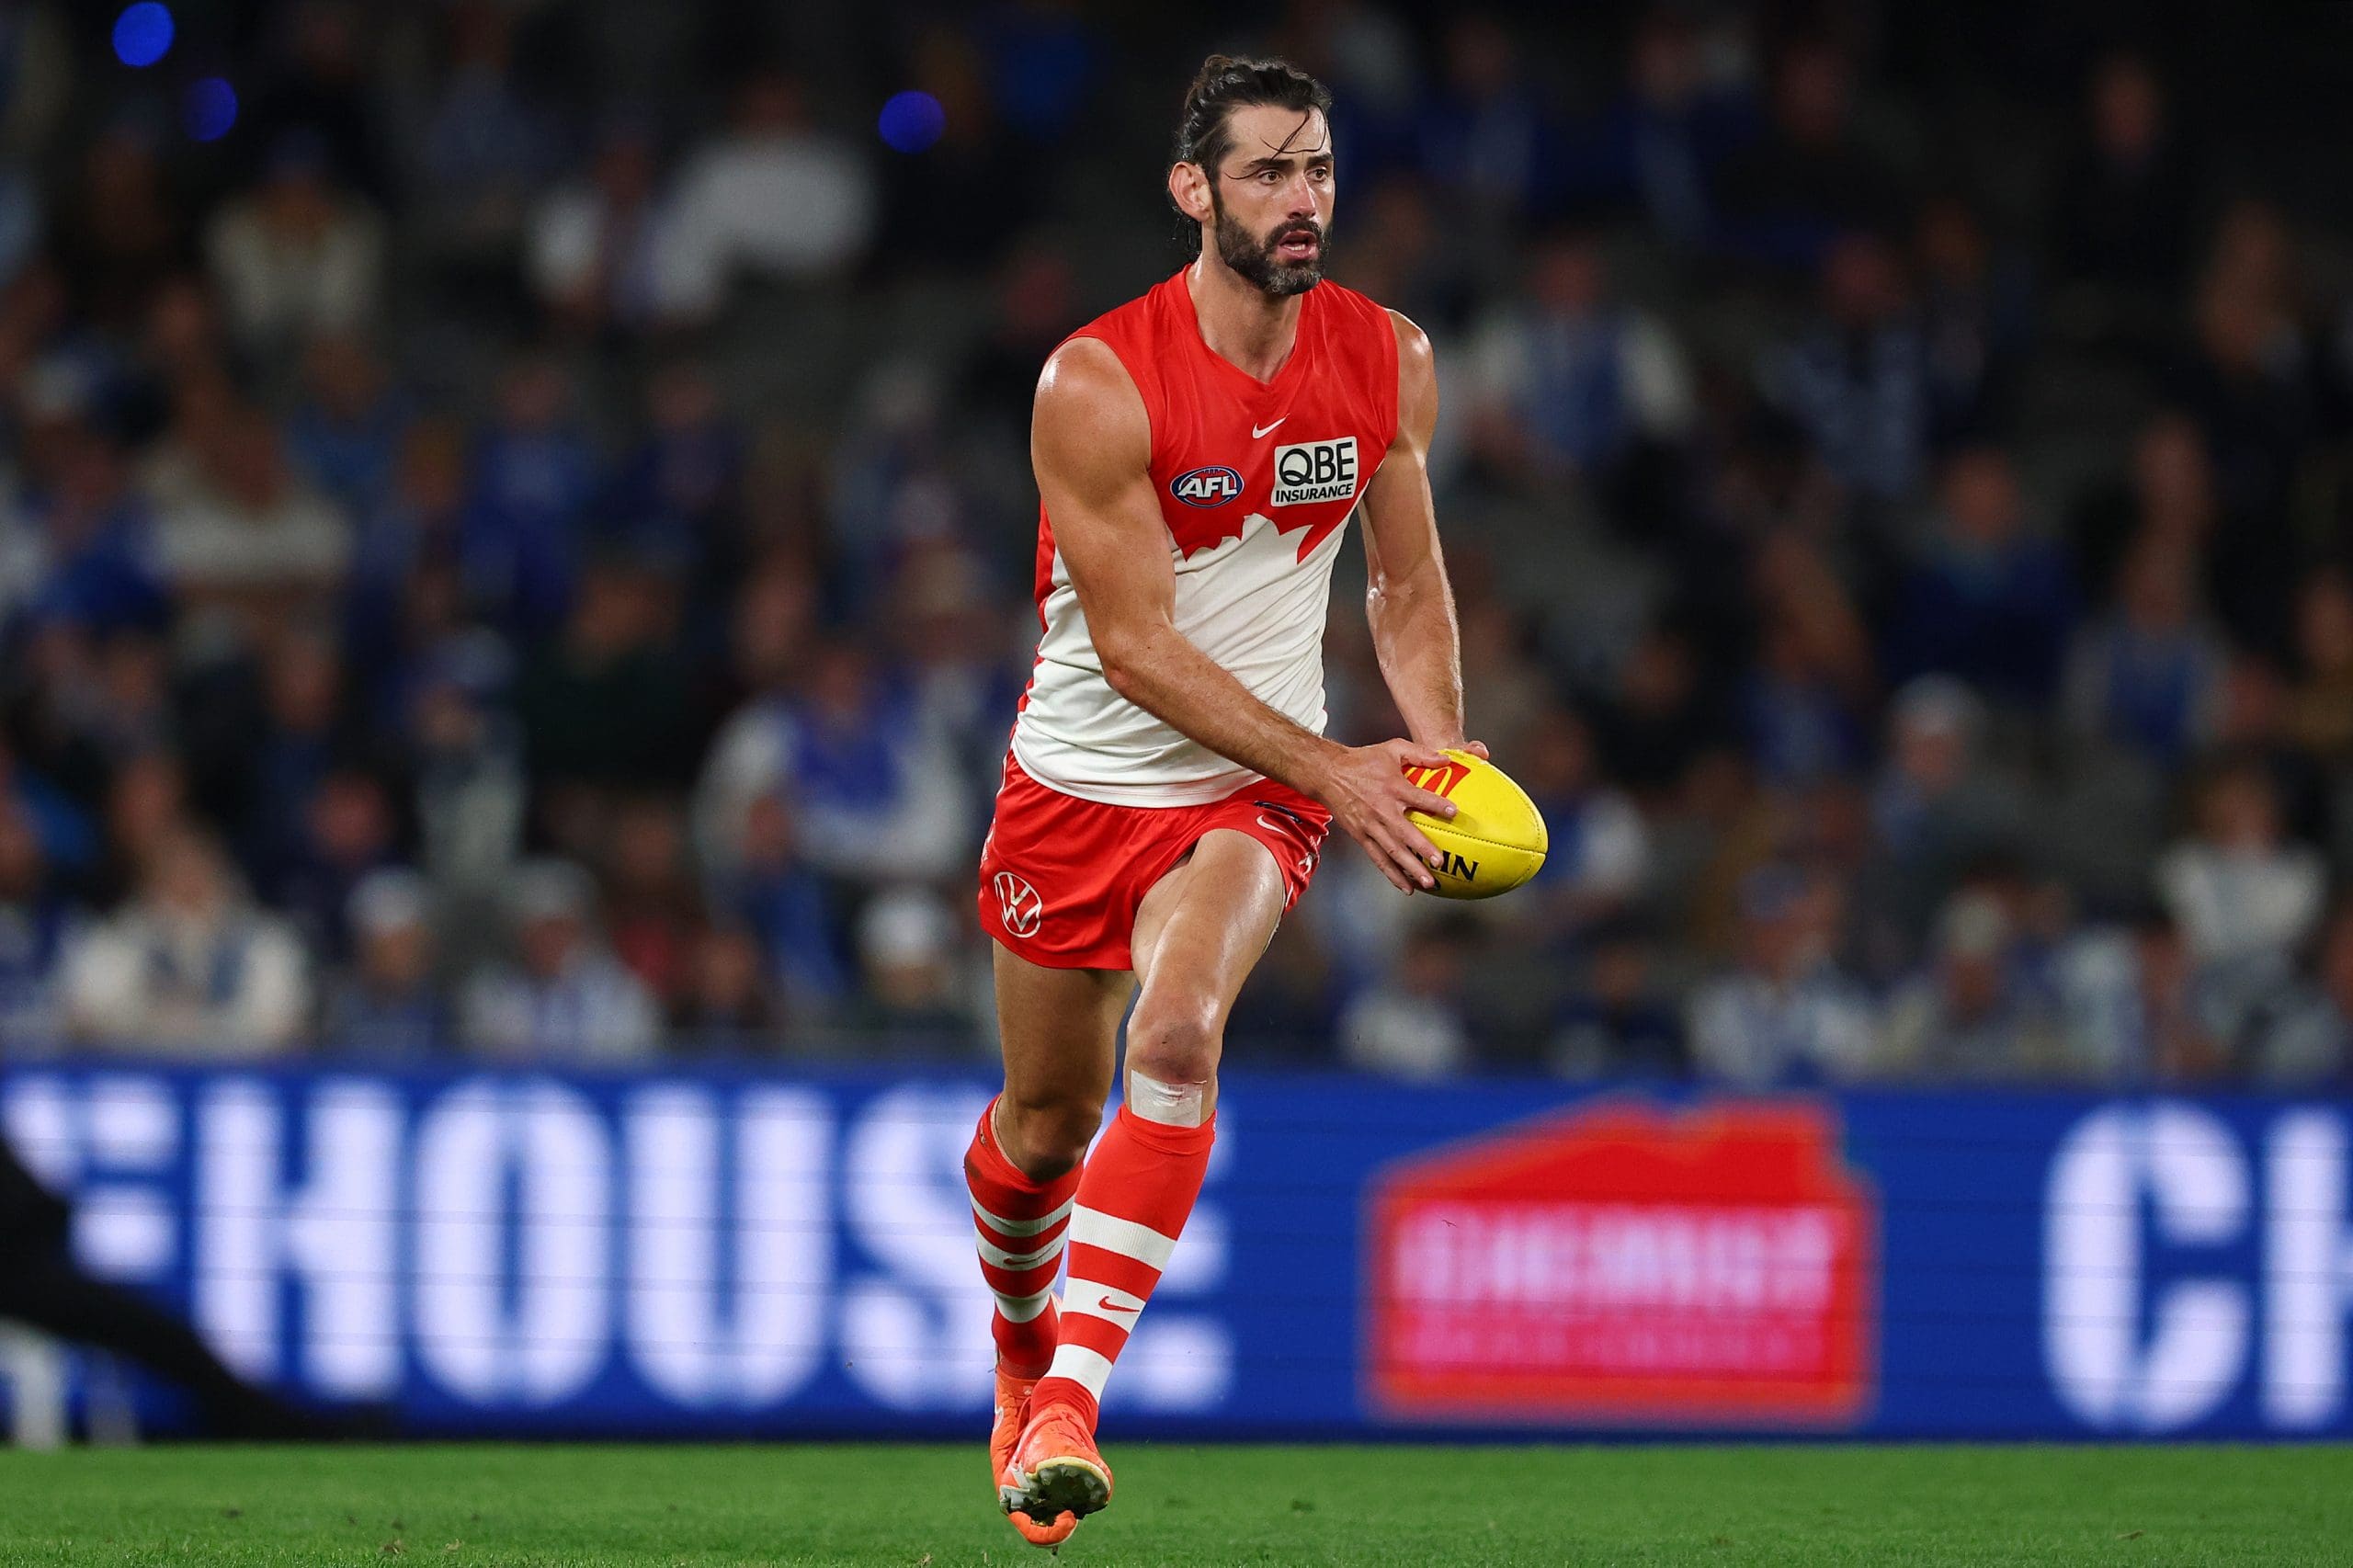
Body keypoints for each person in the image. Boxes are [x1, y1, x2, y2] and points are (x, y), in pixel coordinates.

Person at [969, 57, 1480, 1546]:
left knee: (1179, 1035)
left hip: (1255, 791)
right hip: (1079, 784)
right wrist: (1343, 768)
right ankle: (1016, 1364)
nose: (1302, 200)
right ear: (1193, 190)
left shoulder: (1388, 356)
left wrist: (1437, 763)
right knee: (1045, 1126)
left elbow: (1404, 581)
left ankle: (1069, 1399)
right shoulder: (1097, 378)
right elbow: (1130, 648)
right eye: (1266, 172)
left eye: (1317, 169)